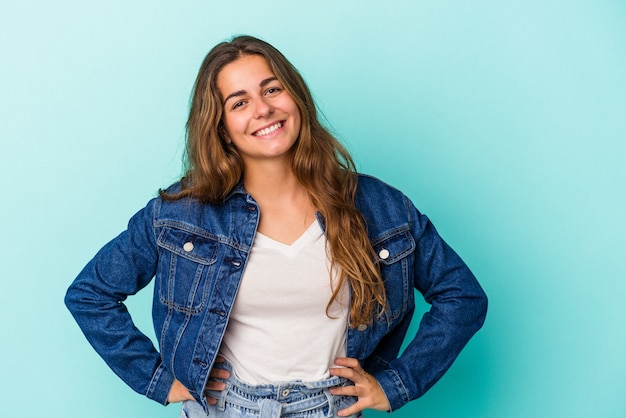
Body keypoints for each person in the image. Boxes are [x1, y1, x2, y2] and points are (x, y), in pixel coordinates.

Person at [65, 35, 487, 418]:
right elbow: (90, 294)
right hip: (226, 408)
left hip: (331, 407)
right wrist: (159, 379)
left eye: (272, 89)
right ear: (223, 128)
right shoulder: (181, 212)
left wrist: (396, 385)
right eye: (239, 102)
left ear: (295, 98)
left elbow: (463, 297)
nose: (263, 109)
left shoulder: (381, 207)